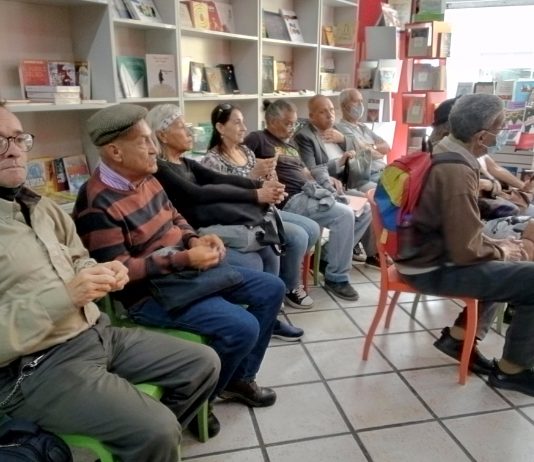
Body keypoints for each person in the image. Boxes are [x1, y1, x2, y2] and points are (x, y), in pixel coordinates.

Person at [0, 101, 220, 461]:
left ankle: (144, 444)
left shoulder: (41, 207)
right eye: (0, 141)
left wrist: (100, 271)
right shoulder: (96, 197)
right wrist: (67, 297)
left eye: (19, 139)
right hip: (35, 367)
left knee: (204, 363)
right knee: (157, 429)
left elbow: (77, 256)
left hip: (94, 331)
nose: (13, 150)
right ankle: (151, 437)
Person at [73, 104, 286, 432]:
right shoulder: (96, 203)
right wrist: (184, 259)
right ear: (115, 151)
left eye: (152, 139)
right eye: (144, 141)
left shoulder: (147, 176)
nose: (153, 149)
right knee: (242, 327)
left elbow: (175, 216)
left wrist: (193, 239)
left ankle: (238, 379)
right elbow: (118, 272)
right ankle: (202, 399)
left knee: (272, 288)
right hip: (148, 295)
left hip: (182, 273)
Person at [395, 93, 534, 397]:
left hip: (421, 256)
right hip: (430, 268)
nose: (501, 135)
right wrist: (501, 249)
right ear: (482, 136)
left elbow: (462, 230)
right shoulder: (456, 171)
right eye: (499, 129)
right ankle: (512, 370)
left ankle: (457, 339)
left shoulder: (442, 150)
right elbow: (465, 250)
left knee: (508, 265)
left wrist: (496, 245)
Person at [144, 105, 313, 342]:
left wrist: (259, 186)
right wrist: (255, 195)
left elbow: (219, 179)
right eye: (182, 127)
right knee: (258, 254)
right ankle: (257, 316)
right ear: (162, 135)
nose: (190, 132)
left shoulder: (186, 162)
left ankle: (269, 317)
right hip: (197, 233)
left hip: (217, 221)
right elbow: (197, 194)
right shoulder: (162, 169)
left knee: (269, 245)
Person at [198, 103, 320, 308]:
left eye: (243, 122)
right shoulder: (211, 160)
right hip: (239, 217)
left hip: (263, 211)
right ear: (220, 128)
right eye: (237, 123)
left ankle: (282, 285)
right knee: (295, 236)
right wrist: (253, 176)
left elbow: (261, 184)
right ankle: (283, 288)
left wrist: (272, 184)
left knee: (309, 230)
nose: (244, 128)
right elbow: (219, 198)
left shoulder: (246, 151)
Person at [243, 99, 363, 301]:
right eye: (288, 123)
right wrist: (259, 174)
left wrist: (326, 180)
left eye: (294, 123)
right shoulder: (258, 138)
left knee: (361, 209)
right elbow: (240, 165)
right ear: (271, 121)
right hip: (291, 199)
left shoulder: (290, 144)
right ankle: (337, 278)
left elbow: (306, 171)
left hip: (309, 191)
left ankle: (327, 259)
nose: (292, 129)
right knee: (344, 215)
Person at [292, 94, 378, 267]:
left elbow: (364, 148)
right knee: (364, 204)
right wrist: (339, 162)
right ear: (312, 116)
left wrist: (345, 141)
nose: (329, 115)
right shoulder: (305, 136)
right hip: (324, 188)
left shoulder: (336, 131)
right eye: (323, 112)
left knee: (368, 204)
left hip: (347, 182)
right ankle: (331, 256)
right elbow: (312, 170)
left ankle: (329, 254)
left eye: (331, 110)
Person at [336, 88, 391, 189]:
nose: (360, 105)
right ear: (344, 106)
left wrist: (372, 147)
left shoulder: (363, 127)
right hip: (371, 176)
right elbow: (364, 150)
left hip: (385, 170)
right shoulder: (340, 128)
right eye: (356, 101)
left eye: (361, 101)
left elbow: (387, 147)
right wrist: (374, 150)